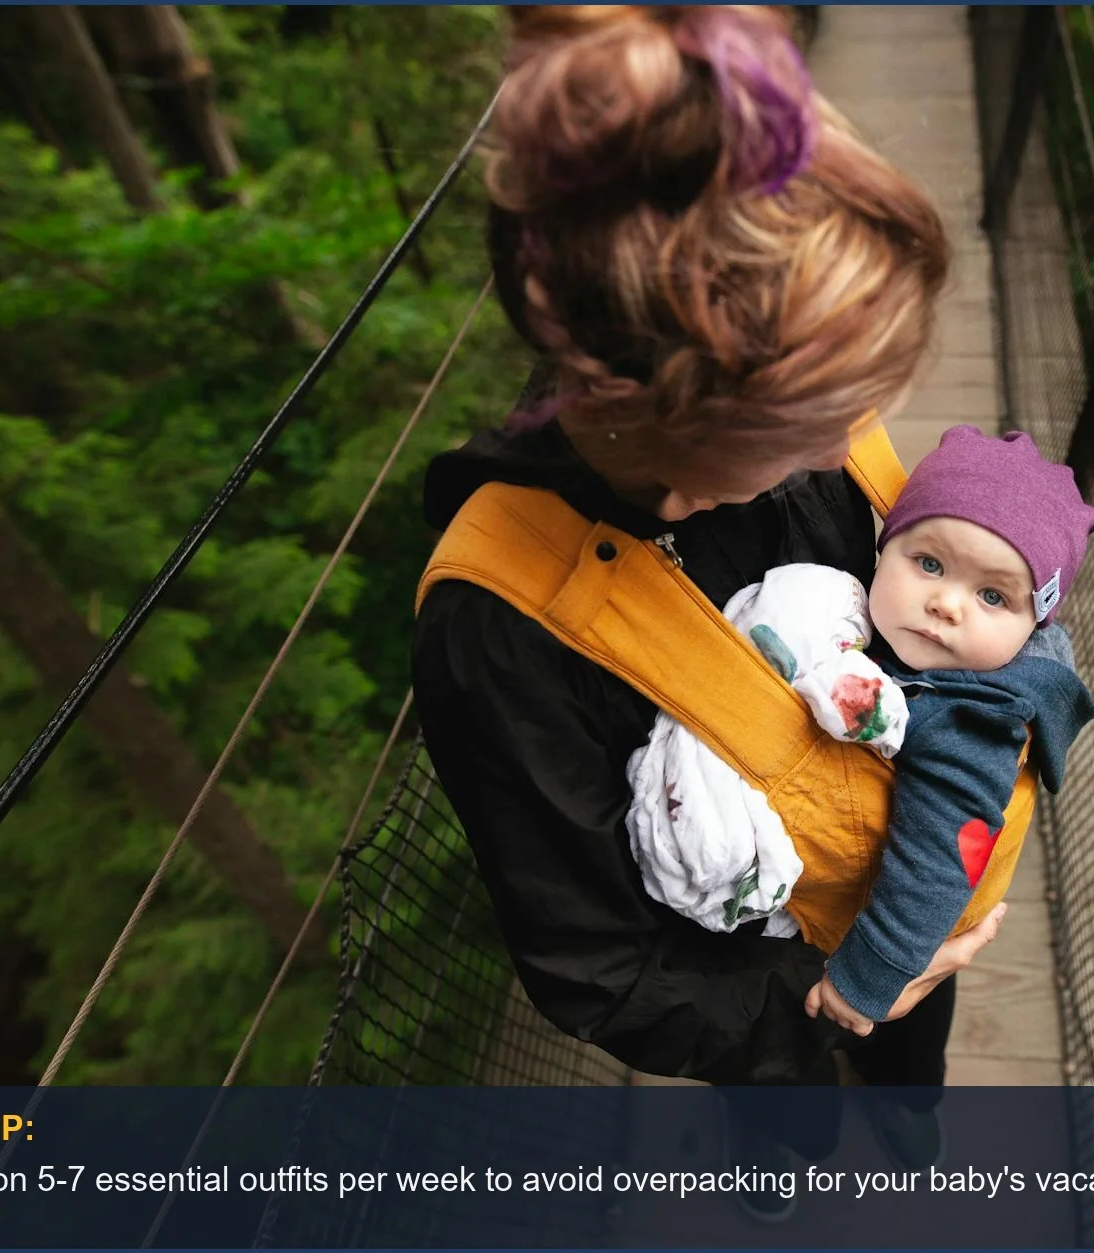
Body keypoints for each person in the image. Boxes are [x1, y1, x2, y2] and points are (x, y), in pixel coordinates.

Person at [410, 4, 1005, 1214]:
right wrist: (847, 994)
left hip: (898, 877)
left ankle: (904, 1108)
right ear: (679, 440)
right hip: (755, 989)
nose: (850, 446)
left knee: (909, 1056)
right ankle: (783, 1161)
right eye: (809, 428)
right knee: (782, 1106)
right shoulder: (502, 627)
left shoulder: (805, 448)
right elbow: (600, 966)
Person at [621, 426, 1094, 1040]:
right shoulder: (916, 649)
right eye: (929, 563)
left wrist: (872, 976)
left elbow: (946, 852)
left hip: (902, 933)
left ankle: (906, 1117)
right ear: (884, 549)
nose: (947, 605)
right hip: (871, 906)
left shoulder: (970, 720)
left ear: (1032, 625)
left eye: (991, 595)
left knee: (904, 1059)